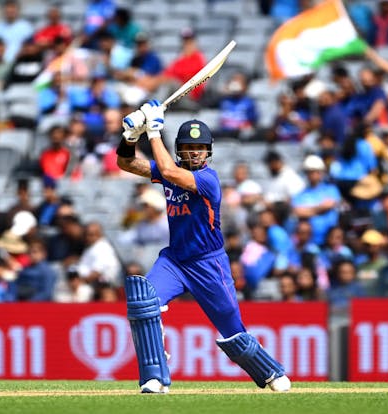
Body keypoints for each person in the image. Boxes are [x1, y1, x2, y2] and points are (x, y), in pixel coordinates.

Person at [116, 99, 291, 393]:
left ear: (207, 151)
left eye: (199, 148)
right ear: (180, 151)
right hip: (175, 261)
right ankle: (154, 377)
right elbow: (126, 163)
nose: (194, 152)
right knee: (142, 302)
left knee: (233, 333)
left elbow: (171, 174)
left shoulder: (208, 179)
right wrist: (131, 137)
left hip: (209, 263)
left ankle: (271, 372)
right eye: (187, 147)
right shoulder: (170, 169)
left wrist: (154, 130)